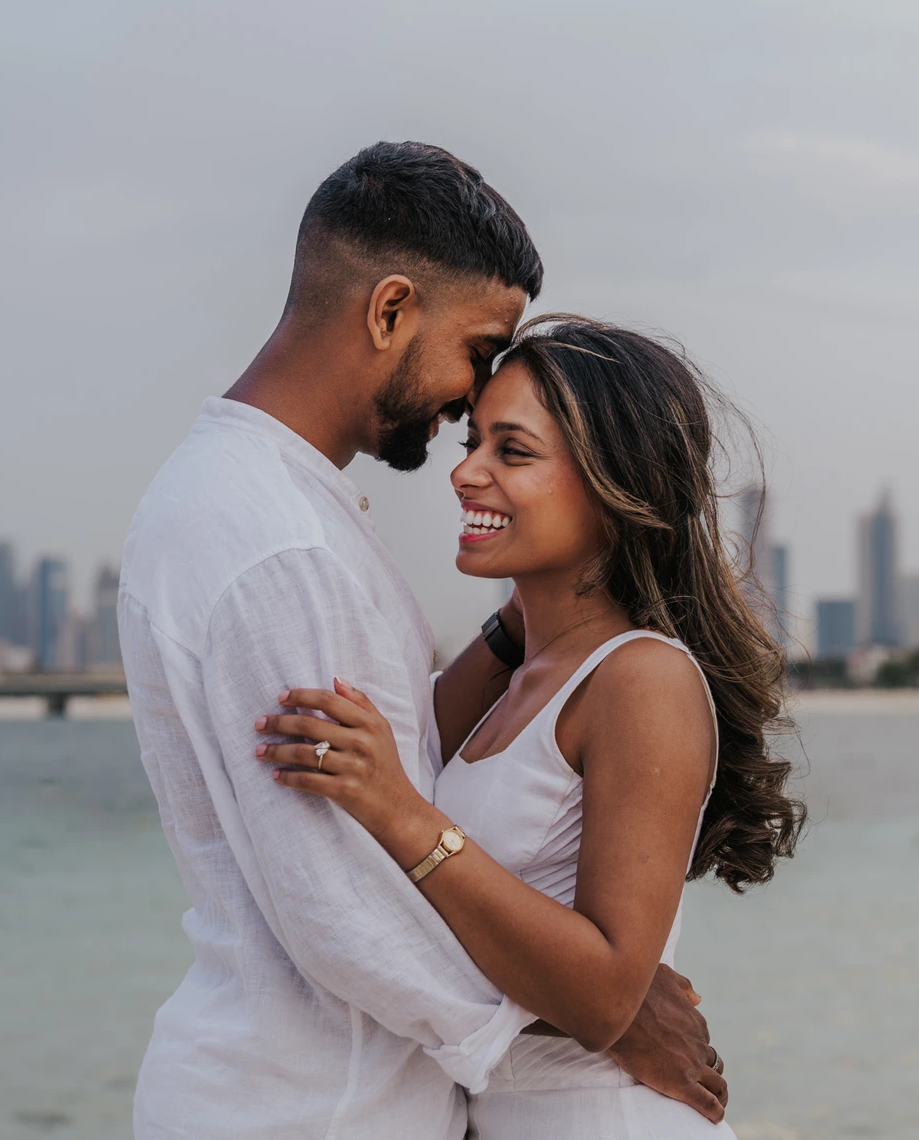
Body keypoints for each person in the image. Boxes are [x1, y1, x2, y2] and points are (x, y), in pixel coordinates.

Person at [118, 144, 725, 1139]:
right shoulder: (284, 544)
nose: (462, 446)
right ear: (390, 309)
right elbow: (337, 900)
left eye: (510, 444)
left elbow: (407, 785)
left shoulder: (266, 508)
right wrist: (585, 1019)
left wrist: (594, 1009)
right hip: (311, 1109)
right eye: (478, 355)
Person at [254, 315, 806, 1137]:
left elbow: (609, 994)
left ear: (615, 486)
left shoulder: (642, 679)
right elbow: (415, 756)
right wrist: (524, 621)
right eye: (472, 441)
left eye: (512, 452)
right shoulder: (519, 671)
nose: (465, 473)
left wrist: (406, 816)